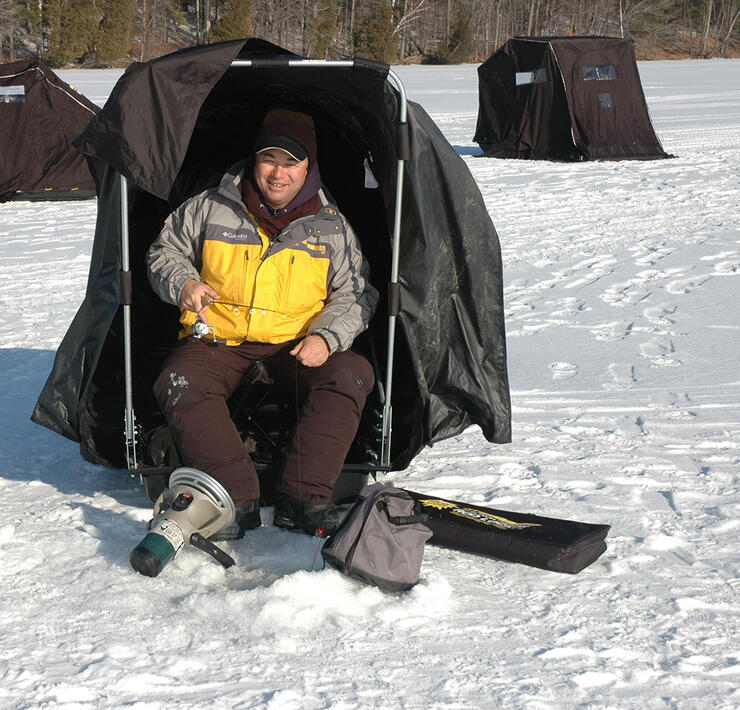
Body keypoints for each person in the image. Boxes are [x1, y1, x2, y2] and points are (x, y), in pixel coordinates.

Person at [146, 109, 379, 538]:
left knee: (351, 374)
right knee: (177, 379)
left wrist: (325, 339)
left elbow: (357, 293)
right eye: (269, 159)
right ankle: (235, 500)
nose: (278, 173)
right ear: (254, 161)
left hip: (296, 346)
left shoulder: (333, 227)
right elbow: (163, 253)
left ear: (309, 168)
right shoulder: (207, 208)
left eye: (291, 162)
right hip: (218, 340)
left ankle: (303, 501)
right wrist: (184, 283)